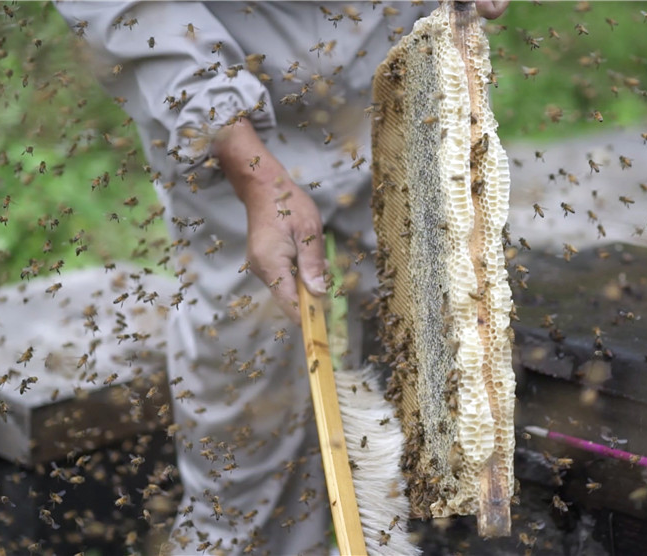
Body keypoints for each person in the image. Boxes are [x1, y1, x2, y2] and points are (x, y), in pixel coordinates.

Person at [55, 2, 508, 554]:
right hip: (231, 78)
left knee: (421, 378)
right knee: (250, 425)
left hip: (399, 63)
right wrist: (252, 171)